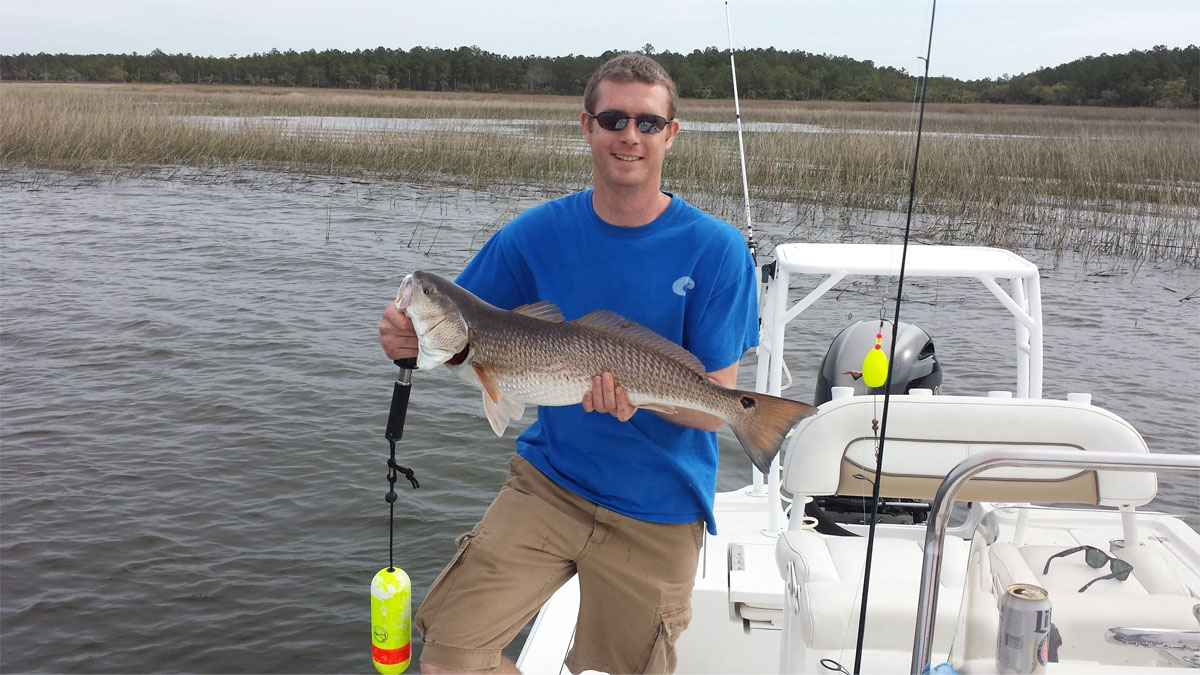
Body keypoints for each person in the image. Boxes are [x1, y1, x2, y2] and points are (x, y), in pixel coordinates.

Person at [378, 53, 759, 674]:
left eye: (647, 122)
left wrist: (642, 397)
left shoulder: (715, 249)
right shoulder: (532, 234)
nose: (628, 136)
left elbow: (716, 410)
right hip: (548, 485)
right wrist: (406, 340)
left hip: (658, 505)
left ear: (672, 133)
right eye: (612, 119)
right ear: (587, 126)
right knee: (448, 660)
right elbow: (465, 338)